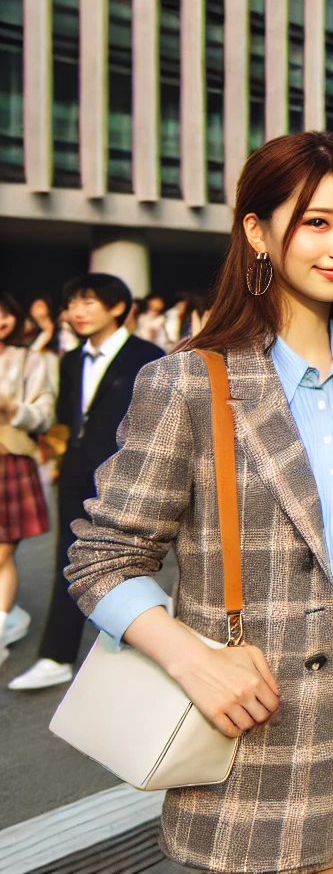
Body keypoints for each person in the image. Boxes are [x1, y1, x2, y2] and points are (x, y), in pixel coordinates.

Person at [62, 132, 333, 873]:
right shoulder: (192, 382)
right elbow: (101, 557)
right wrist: (191, 658)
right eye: (316, 221)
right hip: (257, 718)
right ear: (257, 230)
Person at [8, 273, 164, 692]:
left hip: (129, 475)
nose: (77, 312)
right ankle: (55, 655)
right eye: (73, 303)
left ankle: (145, 656)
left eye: (89, 302)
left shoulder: (148, 355)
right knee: (70, 559)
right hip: (76, 472)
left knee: (132, 564)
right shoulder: (71, 358)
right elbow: (65, 417)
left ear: (118, 307)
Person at [0, 292, 56, 663]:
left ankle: (3, 623)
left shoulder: (31, 359)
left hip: (9, 461)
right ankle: (11, 615)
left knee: (2, 551)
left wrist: (11, 408)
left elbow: (44, 414)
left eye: (3, 313)